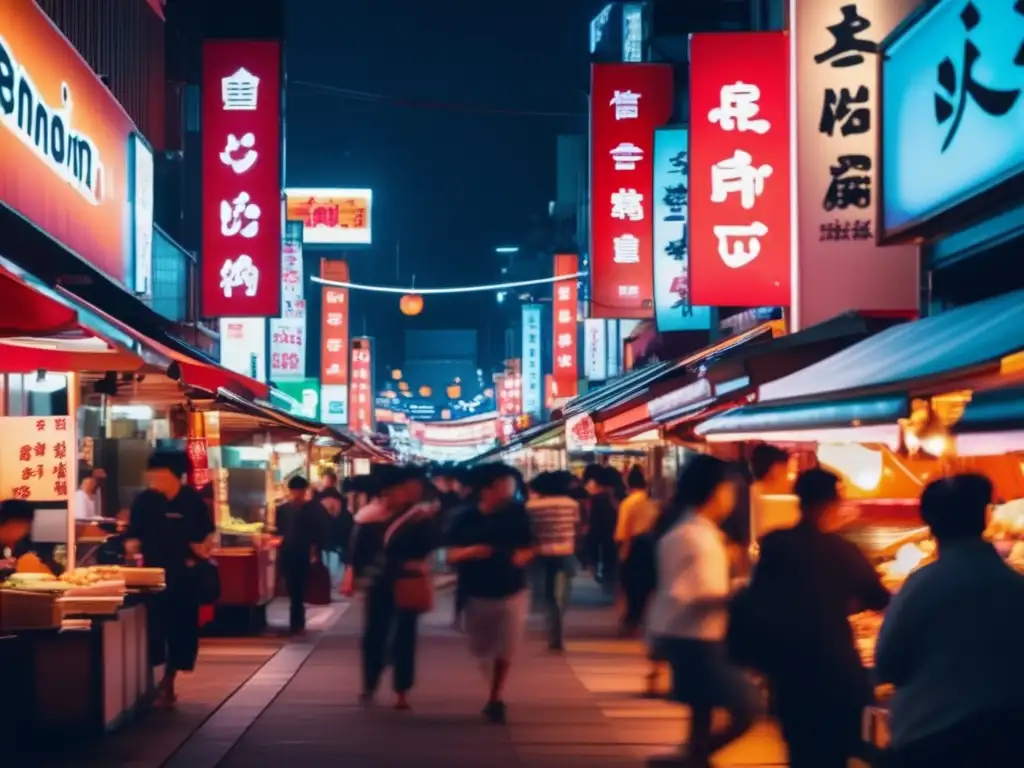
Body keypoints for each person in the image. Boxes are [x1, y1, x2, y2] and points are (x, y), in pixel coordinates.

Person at [744, 467, 890, 768]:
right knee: (837, 754)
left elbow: (758, 598)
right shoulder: (842, 550)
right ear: (832, 504)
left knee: (801, 754)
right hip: (836, 671)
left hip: (790, 673)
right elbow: (878, 598)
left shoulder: (775, 545)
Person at [876, 474, 1024, 767]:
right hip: (1007, 740)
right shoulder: (1014, 586)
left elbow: (887, 664)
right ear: (986, 516)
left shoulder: (920, 586)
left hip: (929, 739)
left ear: (931, 523)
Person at [647, 454, 759, 765]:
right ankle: (688, 759)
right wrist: (744, 590)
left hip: (684, 633)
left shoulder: (691, 530)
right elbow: (703, 593)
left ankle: (695, 756)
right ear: (715, 491)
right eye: (729, 490)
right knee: (747, 705)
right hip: (697, 637)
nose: (732, 498)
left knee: (702, 709)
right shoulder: (696, 537)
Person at [125, 451, 216, 707]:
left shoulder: (192, 501)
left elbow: (207, 534)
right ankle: (159, 680)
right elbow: (134, 533)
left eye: (159, 473)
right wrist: (132, 544)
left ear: (174, 475)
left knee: (182, 630)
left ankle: (170, 678)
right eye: (151, 473)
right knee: (155, 630)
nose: (153, 478)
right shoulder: (144, 501)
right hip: (152, 579)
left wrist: (202, 548)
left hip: (185, 577)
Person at [346, 465, 440, 710]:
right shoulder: (368, 517)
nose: (415, 490)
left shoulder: (419, 517)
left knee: (405, 636)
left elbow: (430, 545)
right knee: (374, 634)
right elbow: (357, 552)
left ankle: (401, 690)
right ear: (390, 491)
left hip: (407, 582)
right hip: (378, 583)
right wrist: (355, 575)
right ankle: (370, 683)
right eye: (408, 487)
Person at [448, 463, 535, 723]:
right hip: (475, 591)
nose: (509, 489)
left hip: (512, 589)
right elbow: (448, 554)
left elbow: (531, 545)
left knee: (506, 645)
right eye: (503, 484)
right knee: (481, 648)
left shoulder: (518, 514)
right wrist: (470, 552)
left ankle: (496, 696)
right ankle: (493, 687)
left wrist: (524, 555)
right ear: (488, 489)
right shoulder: (464, 517)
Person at [525, 471, 580, 651]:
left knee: (547, 596)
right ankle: (558, 626)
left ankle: (553, 631)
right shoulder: (572, 504)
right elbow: (577, 526)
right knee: (562, 595)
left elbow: (530, 532)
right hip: (566, 553)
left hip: (541, 555)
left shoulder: (531, 507)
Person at [276, 476, 330, 634]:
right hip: (288, 553)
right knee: (293, 588)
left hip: (305, 553)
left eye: (300, 490)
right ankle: (297, 621)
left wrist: (317, 551)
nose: (297, 494)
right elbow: (279, 531)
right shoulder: (284, 509)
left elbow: (321, 532)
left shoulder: (313, 509)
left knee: (299, 588)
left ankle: (297, 621)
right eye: (295, 491)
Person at [615, 465, 659, 636]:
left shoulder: (628, 504)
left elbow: (622, 533)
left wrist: (622, 554)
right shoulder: (652, 503)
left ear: (628, 484)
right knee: (647, 587)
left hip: (634, 548)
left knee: (632, 588)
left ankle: (631, 622)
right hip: (652, 547)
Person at [0, 499, 62, 577]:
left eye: (26, 527)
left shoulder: (27, 544)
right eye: (17, 527)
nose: (22, 532)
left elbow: (51, 566)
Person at [585, 465, 621, 591]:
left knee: (607, 559)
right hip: (617, 536)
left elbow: (594, 523)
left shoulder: (598, 499)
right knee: (613, 559)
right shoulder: (620, 497)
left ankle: (608, 583)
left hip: (603, 535)